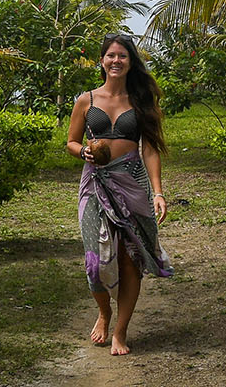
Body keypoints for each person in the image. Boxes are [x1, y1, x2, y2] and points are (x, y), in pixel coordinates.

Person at [66, 32, 173, 355]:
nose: (116, 60)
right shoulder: (87, 100)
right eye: (111, 55)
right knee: (95, 261)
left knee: (130, 260)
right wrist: (82, 150)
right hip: (94, 184)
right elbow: (70, 141)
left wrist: (157, 192)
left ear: (130, 62)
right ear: (102, 60)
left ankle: (121, 332)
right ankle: (104, 311)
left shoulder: (141, 102)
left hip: (132, 181)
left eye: (122, 56)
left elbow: (151, 149)